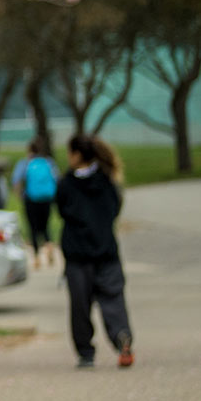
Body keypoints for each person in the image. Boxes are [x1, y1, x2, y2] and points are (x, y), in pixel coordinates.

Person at [57, 134, 135, 369]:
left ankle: (86, 353)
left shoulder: (66, 184)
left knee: (80, 306)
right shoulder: (108, 180)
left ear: (77, 154)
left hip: (78, 254)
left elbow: (62, 210)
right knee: (113, 299)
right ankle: (122, 336)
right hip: (107, 251)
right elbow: (115, 208)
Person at [12, 136, 61, 268]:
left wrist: (20, 195)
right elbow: (57, 179)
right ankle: (49, 246)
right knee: (45, 225)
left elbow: (16, 181)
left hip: (31, 199)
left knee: (32, 227)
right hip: (46, 199)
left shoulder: (25, 163)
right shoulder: (49, 162)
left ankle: (36, 257)